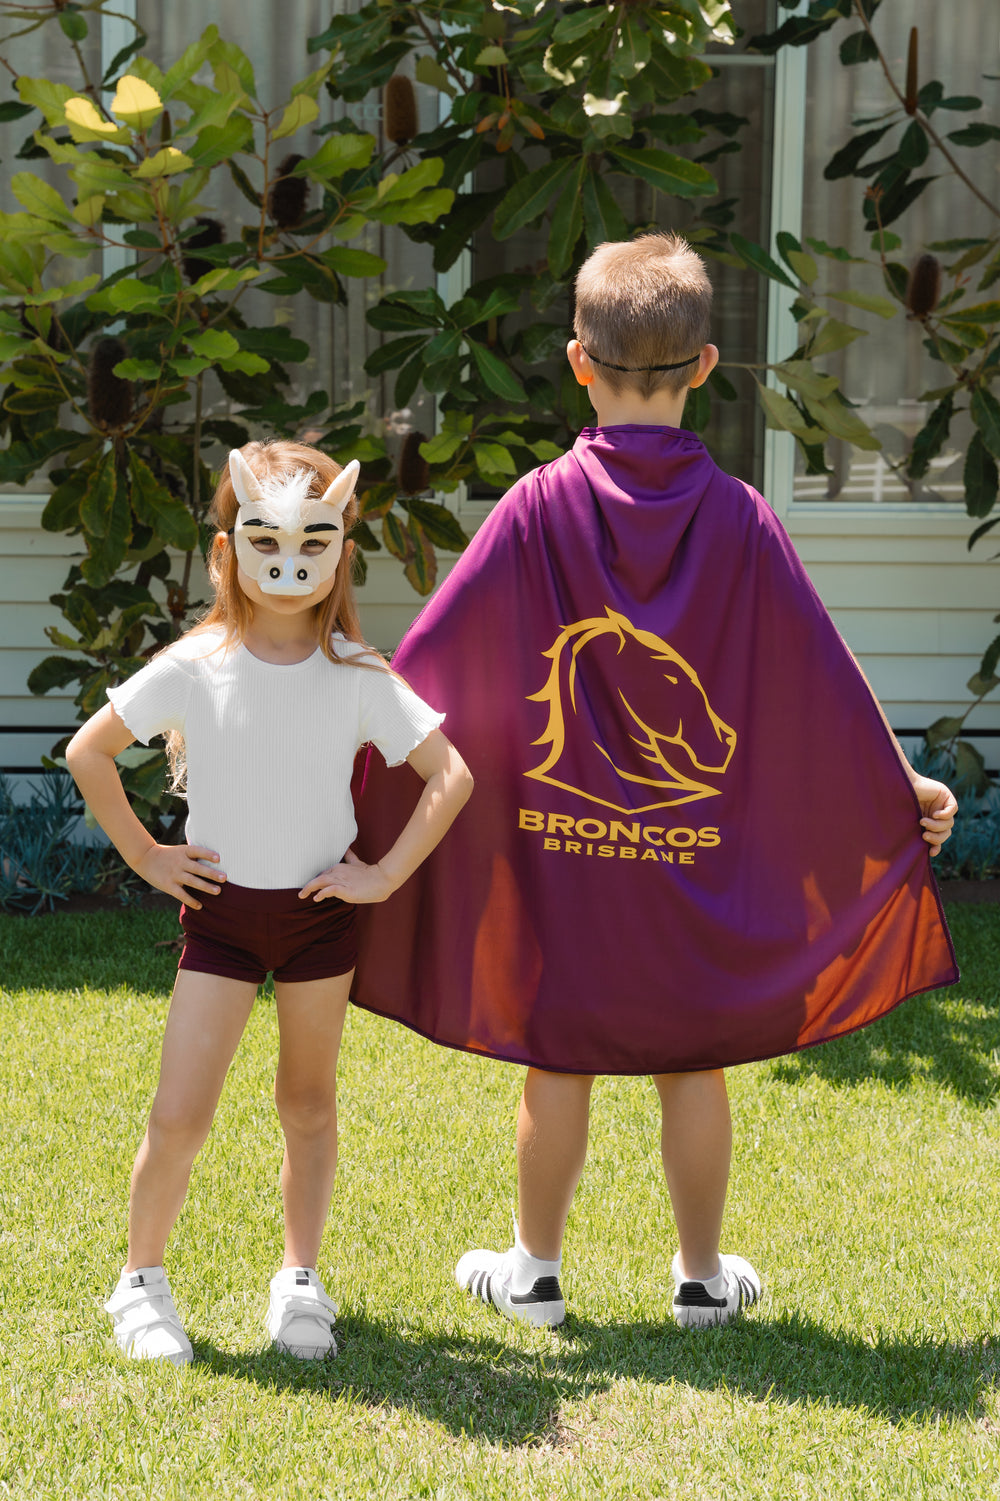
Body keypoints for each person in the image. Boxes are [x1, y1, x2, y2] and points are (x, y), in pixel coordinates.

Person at [349, 233, 958, 1331]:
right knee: (695, 1055)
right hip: (694, 852)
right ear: (706, 367)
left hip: (563, 851)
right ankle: (699, 1280)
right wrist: (895, 774)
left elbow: (432, 667)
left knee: (558, 1053)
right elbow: (817, 667)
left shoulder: (535, 505)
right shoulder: (739, 515)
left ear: (577, 360)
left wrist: (329, 762)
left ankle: (533, 1272)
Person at [66, 440, 473, 1365]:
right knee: (180, 1112)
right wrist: (145, 853)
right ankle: (141, 1278)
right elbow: (89, 752)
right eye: (264, 544)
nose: (289, 567)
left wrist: (384, 873)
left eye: (312, 546)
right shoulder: (194, 663)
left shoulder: (360, 673)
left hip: (319, 920)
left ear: (338, 552)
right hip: (220, 922)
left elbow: (450, 774)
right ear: (226, 554)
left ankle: (299, 1278)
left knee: (308, 1104)